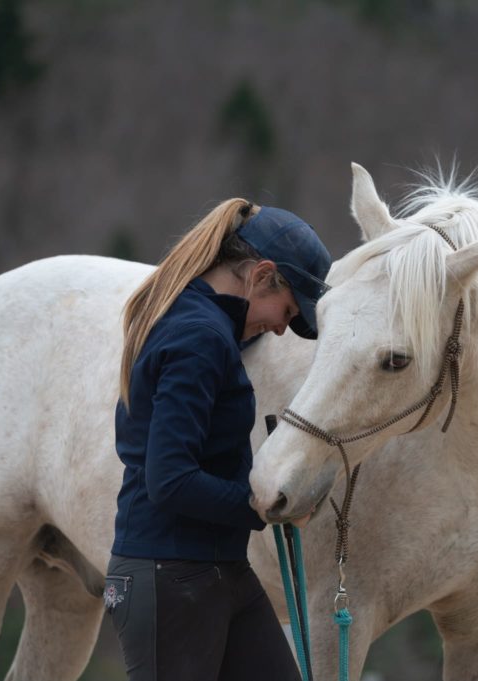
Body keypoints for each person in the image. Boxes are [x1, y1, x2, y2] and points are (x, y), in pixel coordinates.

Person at [105, 198, 332, 680]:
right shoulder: (198, 336)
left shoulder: (204, 324)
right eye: (287, 310)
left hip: (216, 568)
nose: (279, 328)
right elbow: (169, 478)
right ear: (261, 274)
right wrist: (263, 505)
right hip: (170, 574)